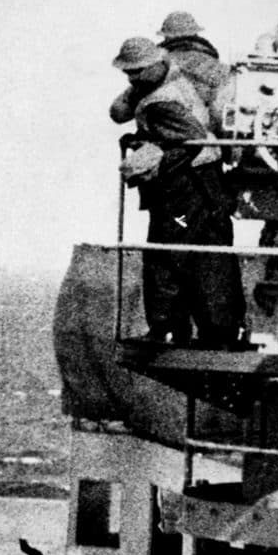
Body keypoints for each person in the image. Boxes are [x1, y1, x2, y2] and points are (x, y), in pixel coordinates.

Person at [110, 37, 245, 348]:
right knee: (210, 257)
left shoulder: (160, 101)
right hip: (206, 183)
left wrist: (155, 155)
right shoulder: (177, 82)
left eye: (137, 72)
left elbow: (193, 140)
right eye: (129, 74)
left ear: (156, 65)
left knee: (165, 253)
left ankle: (166, 328)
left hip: (183, 187)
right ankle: (221, 332)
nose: (132, 79)